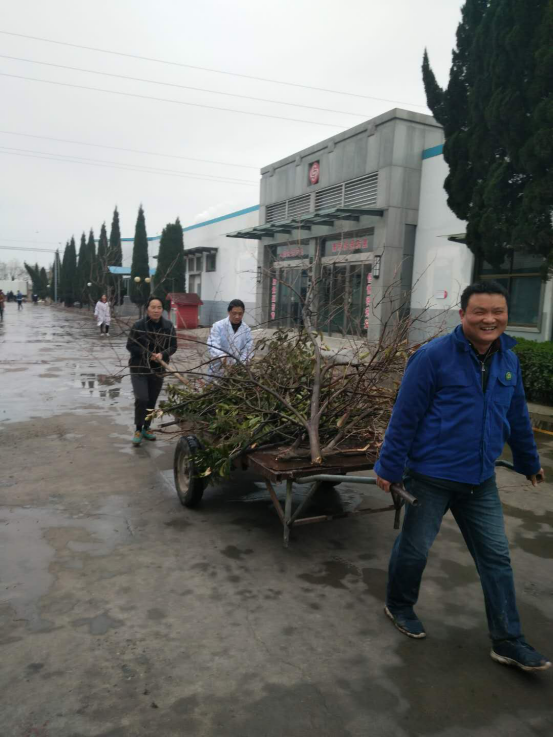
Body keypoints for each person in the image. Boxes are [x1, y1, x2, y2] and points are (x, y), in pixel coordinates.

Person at [374, 281, 550, 672]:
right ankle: (399, 605)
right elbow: (405, 416)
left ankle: (508, 640)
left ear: (506, 316)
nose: (489, 319)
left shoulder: (508, 360)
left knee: (496, 557)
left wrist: (528, 461)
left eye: (498, 312)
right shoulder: (432, 357)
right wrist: (389, 468)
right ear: (463, 315)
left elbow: (517, 415)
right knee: (415, 549)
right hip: (430, 476)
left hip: (479, 481)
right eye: (480, 312)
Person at [126, 296, 177, 446]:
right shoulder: (139, 326)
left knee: (152, 400)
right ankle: (138, 428)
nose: (156, 310)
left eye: (159, 307)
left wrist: (163, 354)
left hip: (158, 369)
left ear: (162, 309)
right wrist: (147, 354)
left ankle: (146, 428)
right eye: (153, 307)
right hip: (139, 368)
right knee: (142, 398)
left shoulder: (168, 326)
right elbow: (130, 345)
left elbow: (173, 346)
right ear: (147, 309)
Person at [207, 299, 253, 377]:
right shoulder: (218, 326)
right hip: (218, 369)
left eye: (240, 314)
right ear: (229, 312)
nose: (237, 316)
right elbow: (212, 344)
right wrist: (222, 356)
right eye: (234, 313)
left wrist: (242, 363)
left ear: (243, 313)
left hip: (237, 371)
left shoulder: (246, 329)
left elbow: (248, 349)